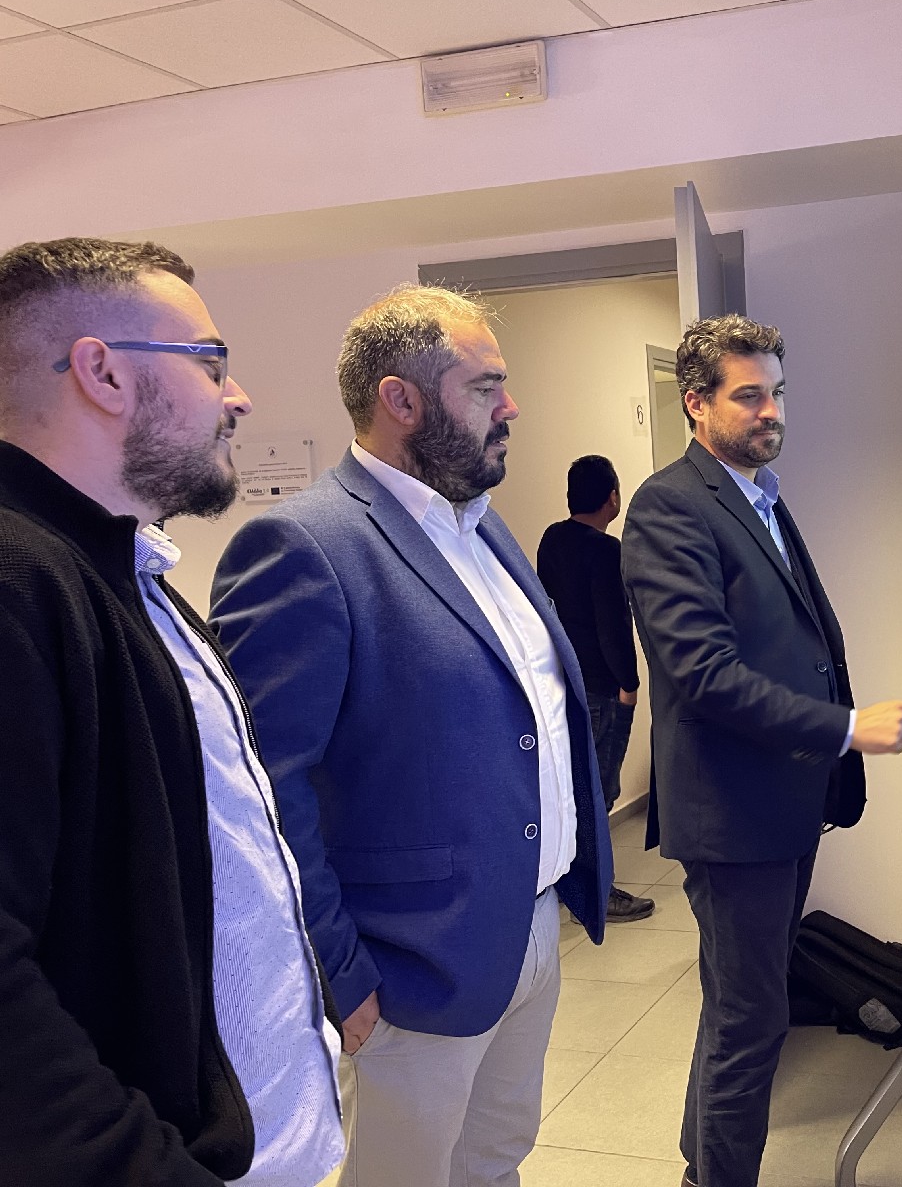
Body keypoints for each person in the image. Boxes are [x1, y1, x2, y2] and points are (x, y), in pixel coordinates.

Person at [210, 284, 612, 1187]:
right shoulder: (305, 546)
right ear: (401, 400)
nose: (511, 407)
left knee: (494, 1161)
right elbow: (263, 792)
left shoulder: (483, 529)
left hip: (527, 925)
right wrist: (338, 972)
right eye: (486, 387)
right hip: (409, 969)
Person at [0, 237, 343, 1185]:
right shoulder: (19, 584)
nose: (240, 398)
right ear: (103, 373)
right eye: (211, 363)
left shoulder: (129, 573)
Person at [620, 314, 902, 1187]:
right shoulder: (669, 506)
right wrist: (844, 727)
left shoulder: (756, 494)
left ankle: (700, 1170)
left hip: (780, 808)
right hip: (734, 817)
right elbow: (704, 675)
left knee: (736, 1009)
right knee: (751, 1022)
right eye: (749, 396)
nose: (771, 412)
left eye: (778, 393)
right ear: (696, 403)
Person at [537, 454, 656, 921]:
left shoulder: (552, 539)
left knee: (573, 789)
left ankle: (572, 883)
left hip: (563, 683)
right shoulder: (607, 551)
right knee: (600, 789)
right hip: (602, 689)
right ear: (613, 498)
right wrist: (630, 682)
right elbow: (613, 625)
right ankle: (598, 894)